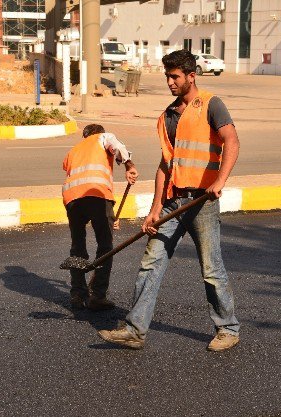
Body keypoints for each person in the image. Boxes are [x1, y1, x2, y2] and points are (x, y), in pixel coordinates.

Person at [98, 50, 240, 351]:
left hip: (202, 202)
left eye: (175, 77)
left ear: (191, 76)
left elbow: (232, 141)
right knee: (151, 263)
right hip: (173, 204)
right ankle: (135, 330)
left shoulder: (211, 105)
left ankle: (228, 329)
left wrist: (220, 181)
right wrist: (154, 210)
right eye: (167, 77)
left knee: (211, 269)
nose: (170, 82)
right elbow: (166, 166)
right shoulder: (167, 117)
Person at [63, 124, 138, 310]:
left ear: (84, 135)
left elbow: (67, 168)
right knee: (105, 246)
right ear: (99, 132)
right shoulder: (103, 137)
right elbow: (118, 147)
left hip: (72, 198)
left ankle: (78, 294)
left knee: (77, 246)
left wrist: (110, 216)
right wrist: (129, 165)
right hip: (97, 195)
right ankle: (97, 295)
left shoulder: (74, 150)